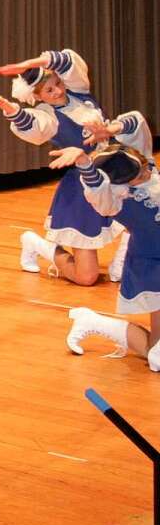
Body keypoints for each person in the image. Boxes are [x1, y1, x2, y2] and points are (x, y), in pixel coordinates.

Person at [0, 48, 148, 285]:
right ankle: (39, 245)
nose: (57, 91)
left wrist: (28, 63)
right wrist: (7, 107)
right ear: (39, 97)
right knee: (87, 278)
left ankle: (126, 254)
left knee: (146, 196)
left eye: (57, 83)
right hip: (85, 187)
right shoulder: (49, 117)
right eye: (49, 90)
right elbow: (31, 124)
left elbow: (68, 62)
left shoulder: (79, 92)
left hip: (116, 169)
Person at [50, 144, 160, 368]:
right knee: (157, 355)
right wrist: (84, 164)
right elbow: (96, 187)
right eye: (133, 176)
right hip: (151, 269)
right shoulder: (115, 200)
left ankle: (93, 321)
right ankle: (94, 322)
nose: (142, 177)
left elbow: (135, 121)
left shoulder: (153, 176)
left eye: (142, 171)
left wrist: (113, 127)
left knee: (156, 351)